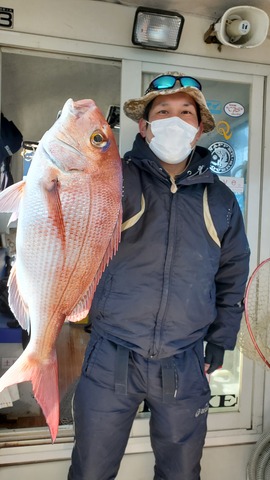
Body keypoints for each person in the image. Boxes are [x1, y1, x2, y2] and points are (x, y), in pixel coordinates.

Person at [68, 72, 250, 480]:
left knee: (182, 473)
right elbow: (73, 228)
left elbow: (232, 273)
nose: (174, 120)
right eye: (162, 112)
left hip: (184, 359)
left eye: (185, 113)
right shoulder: (114, 179)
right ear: (144, 126)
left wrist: (221, 339)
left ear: (199, 128)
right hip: (112, 352)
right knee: (91, 470)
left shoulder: (219, 199)